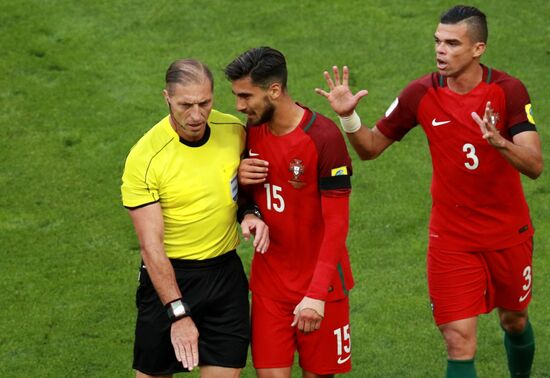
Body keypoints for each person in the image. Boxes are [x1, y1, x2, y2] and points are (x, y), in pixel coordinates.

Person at [316, 5, 542, 378]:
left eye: (453, 43)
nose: (441, 50)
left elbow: (534, 165)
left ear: (478, 49)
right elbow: (370, 148)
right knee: (459, 341)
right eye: (438, 41)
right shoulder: (420, 93)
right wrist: (348, 117)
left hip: (508, 233)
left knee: (514, 320)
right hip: (451, 239)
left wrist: (500, 142)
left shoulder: (508, 90)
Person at [121, 58, 269, 378]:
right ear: (167, 98)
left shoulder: (233, 131)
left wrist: (249, 211)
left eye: (205, 103)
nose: (197, 115)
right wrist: (177, 313)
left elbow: (247, 186)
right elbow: (151, 248)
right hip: (169, 277)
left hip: (224, 276)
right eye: (186, 105)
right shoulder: (145, 158)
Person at [224, 47, 354, 378]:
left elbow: (337, 225)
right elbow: (247, 198)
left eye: (245, 96)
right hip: (270, 288)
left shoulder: (323, 139)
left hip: (321, 287)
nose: (239, 106)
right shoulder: (251, 130)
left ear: (275, 90)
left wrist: (316, 295)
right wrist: (248, 212)